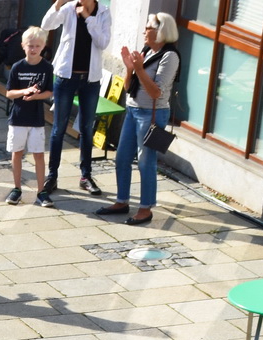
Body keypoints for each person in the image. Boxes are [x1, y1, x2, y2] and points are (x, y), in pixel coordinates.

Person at [95, 13, 179, 226]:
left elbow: (156, 93)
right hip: (132, 110)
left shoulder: (170, 56)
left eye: (148, 27)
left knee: (145, 162)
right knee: (122, 158)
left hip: (151, 114)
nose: (144, 31)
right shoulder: (146, 51)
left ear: (160, 32)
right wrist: (130, 68)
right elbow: (127, 87)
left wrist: (140, 69)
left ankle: (145, 208)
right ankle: (121, 201)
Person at [39, 0, 111, 203]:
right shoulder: (69, 8)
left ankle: (86, 176)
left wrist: (89, 19)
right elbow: (47, 24)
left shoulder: (103, 13)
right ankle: (52, 176)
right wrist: (58, 3)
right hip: (66, 77)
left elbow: (103, 42)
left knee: (87, 129)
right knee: (59, 128)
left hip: (90, 79)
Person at [3, 29, 53, 207]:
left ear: (43, 47)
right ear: (23, 46)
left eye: (37, 46)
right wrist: (25, 91)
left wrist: (35, 96)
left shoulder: (47, 67)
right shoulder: (18, 67)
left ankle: (41, 191)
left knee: (38, 154)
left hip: (36, 119)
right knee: (17, 153)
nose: (33, 49)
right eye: (30, 46)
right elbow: (9, 93)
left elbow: (49, 91)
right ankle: (16, 188)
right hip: (18, 118)